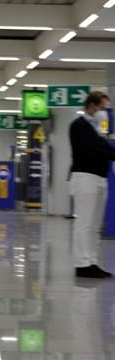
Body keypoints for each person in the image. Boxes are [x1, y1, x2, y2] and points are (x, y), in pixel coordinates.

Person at [69, 90, 115, 278]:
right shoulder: (78, 126)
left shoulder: (97, 129)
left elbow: (104, 148)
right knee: (84, 223)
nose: (105, 111)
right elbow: (91, 151)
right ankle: (81, 264)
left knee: (95, 224)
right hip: (84, 177)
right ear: (92, 105)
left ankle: (91, 261)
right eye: (103, 107)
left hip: (99, 178)